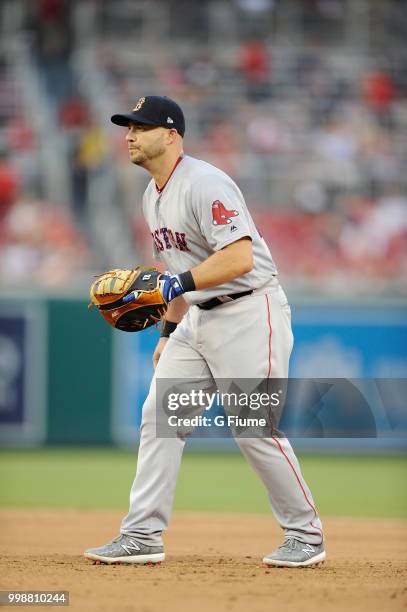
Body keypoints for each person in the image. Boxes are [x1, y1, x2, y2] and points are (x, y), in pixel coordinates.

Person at [84, 95, 325, 568]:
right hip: (197, 318)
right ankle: (142, 534)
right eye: (127, 127)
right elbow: (174, 270)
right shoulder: (152, 196)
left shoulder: (206, 183)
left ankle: (305, 534)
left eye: (140, 126)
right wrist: (168, 333)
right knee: (160, 417)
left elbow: (239, 258)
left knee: (254, 427)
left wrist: (179, 286)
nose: (129, 135)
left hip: (251, 312)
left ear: (171, 134)